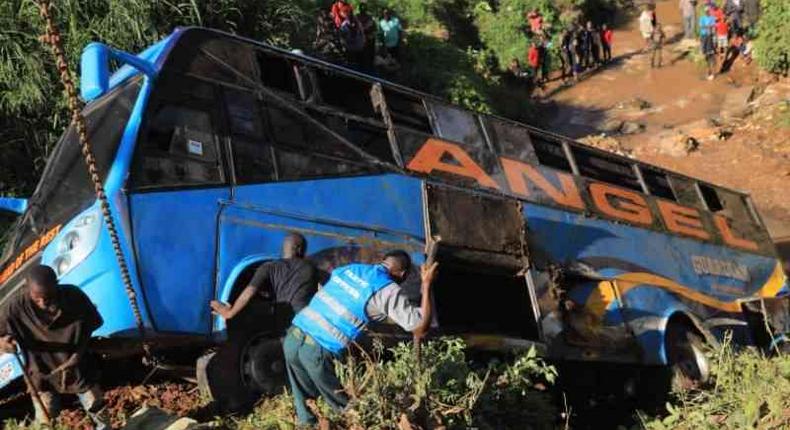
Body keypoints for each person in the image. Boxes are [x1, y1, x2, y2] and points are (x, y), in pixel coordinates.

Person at [283, 251, 438, 426]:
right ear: (403, 274)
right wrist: (426, 284)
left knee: (306, 410)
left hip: (293, 337)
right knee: (351, 413)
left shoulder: (351, 268)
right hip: (317, 348)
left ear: (383, 261)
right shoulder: (386, 289)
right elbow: (419, 327)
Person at [0, 265, 109, 428]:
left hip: (77, 367)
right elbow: (1, 337)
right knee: (45, 421)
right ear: (26, 288)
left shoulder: (73, 296)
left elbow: (91, 326)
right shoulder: (14, 307)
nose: (43, 303)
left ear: (57, 285)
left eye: (49, 297)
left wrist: (76, 357)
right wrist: (5, 343)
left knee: (99, 414)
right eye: (37, 298)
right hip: (40, 372)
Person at [210, 233, 317, 326]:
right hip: (304, 324)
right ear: (299, 249)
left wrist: (230, 313)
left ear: (284, 248)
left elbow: (249, 292)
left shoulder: (268, 268)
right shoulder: (310, 268)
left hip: (283, 324)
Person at [357, 3, 378, 72]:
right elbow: (355, 30)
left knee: (370, 58)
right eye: (362, 8)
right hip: (360, 42)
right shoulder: (356, 18)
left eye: (364, 8)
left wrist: (371, 35)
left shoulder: (370, 18)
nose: (363, 10)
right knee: (361, 60)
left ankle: (370, 72)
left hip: (370, 42)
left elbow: (375, 30)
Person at [699, 8, 717, 79]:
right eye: (706, 11)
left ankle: (711, 71)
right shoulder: (702, 18)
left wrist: (708, 27)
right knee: (706, 53)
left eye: (708, 11)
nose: (707, 12)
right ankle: (709, 70)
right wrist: (708, 27)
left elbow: (713, 26)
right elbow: (701, 26)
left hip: (709, 35)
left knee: (710, 53)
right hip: (704, 35)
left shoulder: (712, 18)